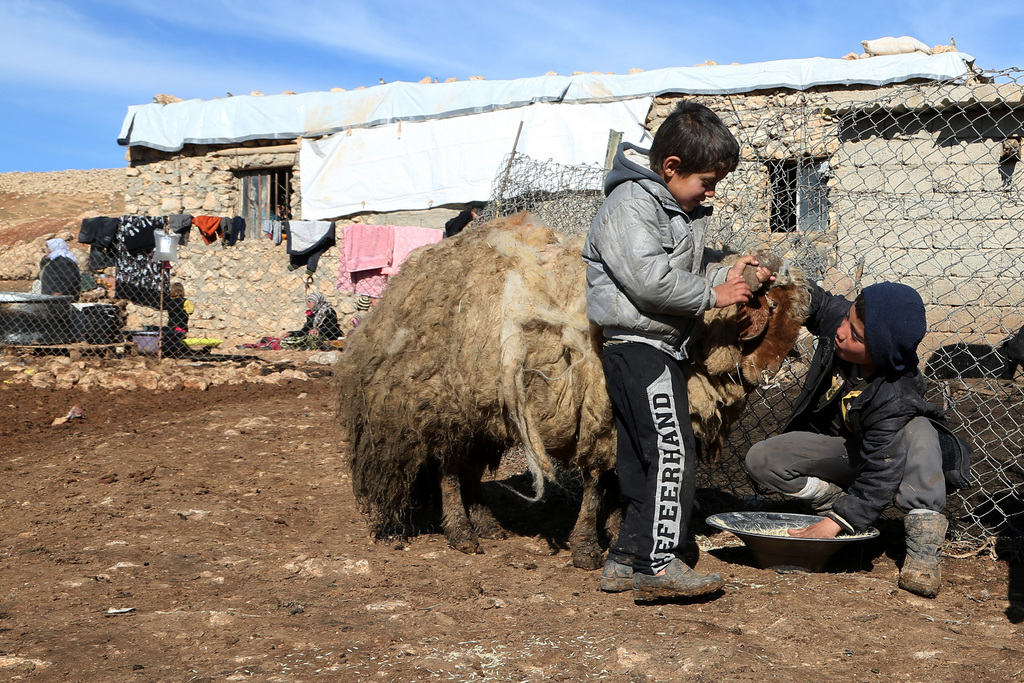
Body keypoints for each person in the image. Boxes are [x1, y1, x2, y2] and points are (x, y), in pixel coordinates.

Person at [582, 102, 772, 603]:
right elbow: (648, 281)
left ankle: (627, 558)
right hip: (639, 346)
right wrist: (716, 295)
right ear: (670, 168)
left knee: (644, 458)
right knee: (672, 451)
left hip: (653, 346)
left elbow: (677, 273)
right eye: (708, 181)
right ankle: (659, 563)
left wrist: (728, 278)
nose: (712, 193)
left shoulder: (673, 210)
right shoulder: (630, 205)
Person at [743, 281, 971, 598]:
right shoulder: (843, 324)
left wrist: (838, 523)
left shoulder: (895, 395)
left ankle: (923, 548)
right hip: (851, 450)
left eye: (857, 336)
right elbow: (818, 301)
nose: (842, 332)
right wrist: (773, 281)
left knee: (919, 429)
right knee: (762, 459)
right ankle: (830, 501)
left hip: (890, 459)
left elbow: (882, 470)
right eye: (848, 320)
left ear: (880, 352)